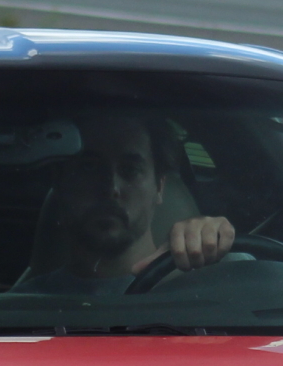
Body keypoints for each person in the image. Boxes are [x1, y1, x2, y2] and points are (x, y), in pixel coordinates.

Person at [13, 114, 236, 296]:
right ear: (60, 183)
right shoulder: (18, 313)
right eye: (89, 168)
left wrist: (221, 249)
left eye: (130, 170)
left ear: (159, 187)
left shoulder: (209, 288)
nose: (111, 188)